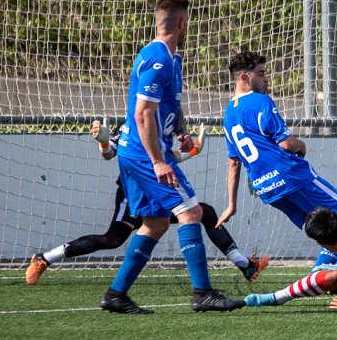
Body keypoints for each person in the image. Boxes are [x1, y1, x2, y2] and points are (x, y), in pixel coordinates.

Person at [99, 0, 243, 314]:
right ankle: (202, 293)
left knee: (156, 224)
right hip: (142, 156)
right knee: (191, 213)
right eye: (187, 22)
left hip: (140, 153)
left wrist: (179, 131)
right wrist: (159, 160)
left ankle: (115, 295)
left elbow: (164, 109)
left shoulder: (172, 59)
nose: (188, 27)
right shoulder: (158, 59)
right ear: (180, 23)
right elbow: (141, 115)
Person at [25, 118, 268, 285]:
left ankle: (244, 265)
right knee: (112, 239)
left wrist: (192, 150)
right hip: (134, 194)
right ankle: (45, 259)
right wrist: (102, 140)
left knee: (203, 212)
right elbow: (111, 152)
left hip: (158, 192)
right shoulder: (134, 120)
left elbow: (166, 158)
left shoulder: (162, 118)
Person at [222, 51, 337, 270]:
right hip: (291, 176)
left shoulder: (228, 114)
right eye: (261, 73)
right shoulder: (260, 101)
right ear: (244, 78)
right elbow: (286, 143)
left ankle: (321, 274)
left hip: (267, 189)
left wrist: (231, 205)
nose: (266, 78)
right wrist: (301, 144)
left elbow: (233, 163)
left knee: (325, 229)